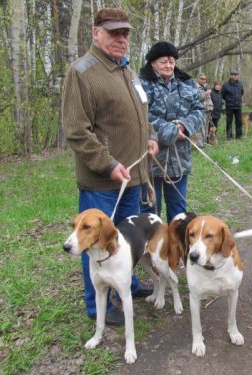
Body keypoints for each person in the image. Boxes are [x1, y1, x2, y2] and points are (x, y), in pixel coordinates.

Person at [62, 7, 159, 326]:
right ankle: (97, 305)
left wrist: (150, 137)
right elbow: (76, 130)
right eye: (114, 32)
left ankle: (128, 284)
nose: (121, 39)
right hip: (103, 183)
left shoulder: (127, 72)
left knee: (125, 237)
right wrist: (108, 163)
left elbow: (141, 115)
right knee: (93, 242)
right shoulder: (82, 71)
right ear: (96, 33)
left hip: (131, 179)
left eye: (125, 33)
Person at [139, 41, 204, 223]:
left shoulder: (186, 82)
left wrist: (183, 126)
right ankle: (152, 250)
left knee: (179, 214)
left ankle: (178, 250)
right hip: (151, 159)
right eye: (163, 62)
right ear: (152, 62)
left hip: (179, 159)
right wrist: (171, 130)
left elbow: (198, 109)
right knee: (150, 213)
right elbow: (140, 115)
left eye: (172, 61)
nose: (169, 65)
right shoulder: (140, 83)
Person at [221, 69, 244, 139]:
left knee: (239, 121)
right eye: (234, 75)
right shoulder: (225, 85)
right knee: (229, 121)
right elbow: (222, 95)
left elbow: (242, 93)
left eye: (236, 75)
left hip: (238, 106)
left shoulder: (240, 84)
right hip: (229, 106)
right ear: (230, 76)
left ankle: (239, 136)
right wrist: (228, 100)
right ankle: (229, 136)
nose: (235, 76)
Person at [195, 73, 214, 147]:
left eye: (204, 79)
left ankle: (204, 142)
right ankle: (200, 145)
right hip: (201, 111)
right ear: (198, 79)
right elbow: (198, 98)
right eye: (202, 79)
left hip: (207, 110)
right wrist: (206, 93)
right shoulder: (195, 87)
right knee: (201, 128)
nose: (203, 80)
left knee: (206, 127)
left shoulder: (204, 87)